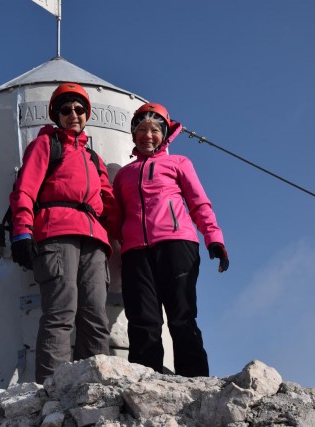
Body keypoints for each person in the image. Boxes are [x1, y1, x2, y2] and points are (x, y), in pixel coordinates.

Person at [111, 102, 229, 377]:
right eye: (141, 130)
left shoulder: (179, 163)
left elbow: (199, 204)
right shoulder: (124, 175)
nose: (147, 136)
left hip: (177, 244)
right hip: (135, 252)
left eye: (154, 130)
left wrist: (214, 239)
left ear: (165, 133)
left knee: (182, 315)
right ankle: (143, 380)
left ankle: (195, 379)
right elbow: (116, 215)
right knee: (142, 319)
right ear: (133, 134)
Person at [9, 82, 115, 383]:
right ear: (56, 114)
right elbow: (24, 190)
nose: (73, 114)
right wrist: (22, 232)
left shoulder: (93, 159)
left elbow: (108, 203)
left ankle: (95, 386)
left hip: (94, 239)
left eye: (79, 109)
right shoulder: (46, 145)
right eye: (66, 109)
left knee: (95, 315)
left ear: (86, 115)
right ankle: (53, 391)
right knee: (60, 312)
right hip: (56, 233)